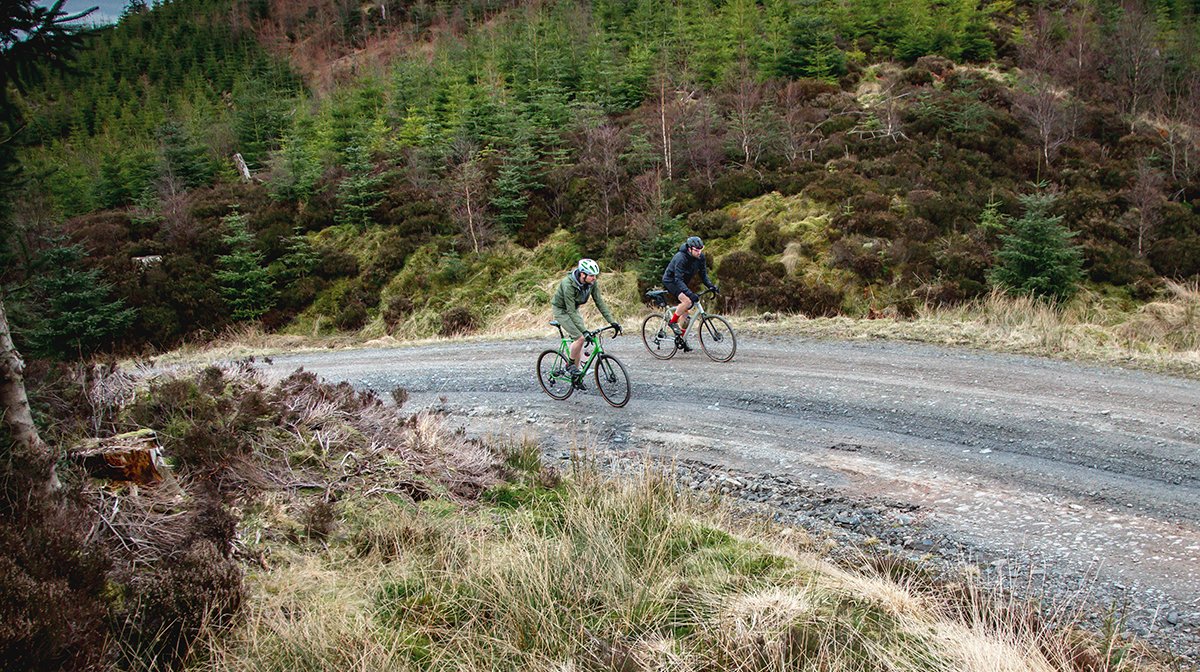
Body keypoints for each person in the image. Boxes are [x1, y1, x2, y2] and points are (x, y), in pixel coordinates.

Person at [550, 258, 622, 387]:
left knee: (580, 340)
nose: (594, 278)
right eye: (591, 275)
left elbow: (600, 302)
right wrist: (584, 331)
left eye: (595, 275)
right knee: (580, 338)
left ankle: (575, 378)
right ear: (582, 274)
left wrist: (613, 322)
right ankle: (570, 364)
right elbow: (570, 311)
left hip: (573, 308)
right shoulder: (568, 284)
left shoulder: (592, 283)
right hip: (562, 310)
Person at [662, 236, 717, 351]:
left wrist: (711, 286)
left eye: (701, 250)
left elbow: (703, 275)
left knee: (686, 314)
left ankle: (681, 339)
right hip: (671, 281)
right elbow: (678, 280)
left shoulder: (700, 257)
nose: (699, 253)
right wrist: (689, 294)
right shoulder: (680, 258)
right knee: (687, 301)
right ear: (689, 249)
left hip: (682, 281)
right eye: (696, 250)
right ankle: (672, 322)